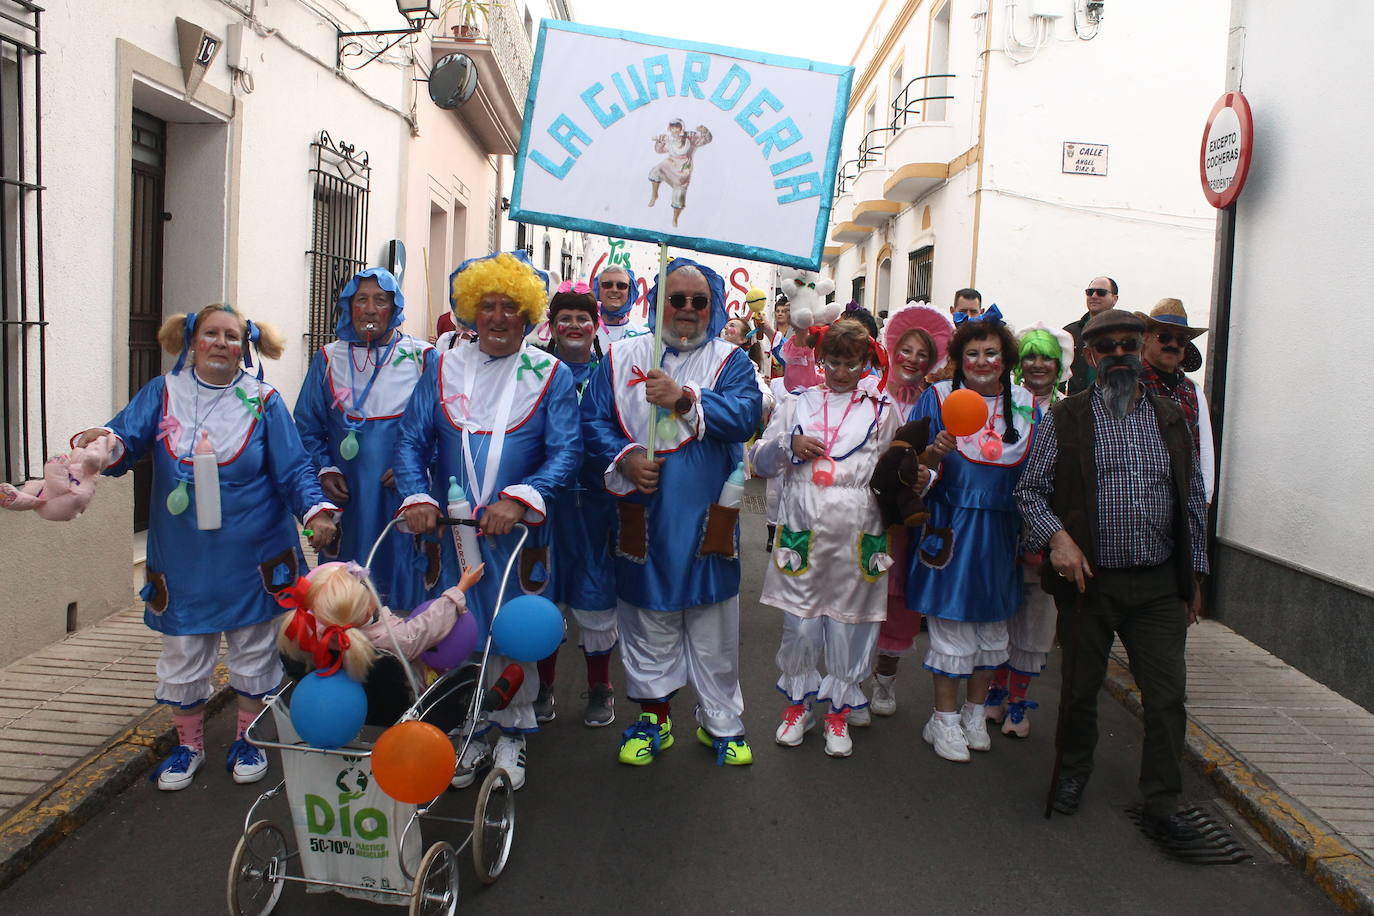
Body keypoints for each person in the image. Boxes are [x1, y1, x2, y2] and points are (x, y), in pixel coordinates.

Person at [71, 304, 338, 791]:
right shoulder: (163, 392)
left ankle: (247, 740)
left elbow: (294, 468)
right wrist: (99, 444)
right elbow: (124, 436)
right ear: (192, 342)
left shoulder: (264, 400)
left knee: (255, 649)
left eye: (232, 336)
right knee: (184, 649)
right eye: (211, 334)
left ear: (246, 346)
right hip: (184, 557)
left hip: (254, 553)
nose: (221, 343)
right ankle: (188, 746)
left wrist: (316, 511)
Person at [1014, 309, 1209, 839]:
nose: (1120, 354)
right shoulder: (1067, 417)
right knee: (1080, 689)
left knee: (1166, 696)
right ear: (1093, 357)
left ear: (1142, 349)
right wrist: (1057, 538)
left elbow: (1192, 497)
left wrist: (1195, 576)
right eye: (1109, 347)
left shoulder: (1171, 417)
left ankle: (1162, 798)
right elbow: (1029, 491)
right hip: (1089, 583)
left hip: (1156, 584)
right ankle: (1074, 772)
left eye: (1129, 344)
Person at [394, 250, 582, 791]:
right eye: (488, 306)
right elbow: (412, 440)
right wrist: (415, 496)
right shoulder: (440, 364)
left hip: (518, 536)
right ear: (471, 312)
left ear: (528, 316)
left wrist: (522, 499)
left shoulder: (551, 373)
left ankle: (514, 734)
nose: (498, 318)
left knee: (511, 631)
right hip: (449, 532)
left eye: (510, 308)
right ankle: (470, 727)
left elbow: (566, 452)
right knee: (458, 628)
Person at [581, 256, 763, 767]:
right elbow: (591, 422)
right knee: (646, 620)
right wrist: (628, 456)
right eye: (675, 300)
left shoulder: (733, 361)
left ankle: (722, 723)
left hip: (708, 517)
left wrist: (684, 399)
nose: (686, 310)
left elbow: (745, 415)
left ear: (713, 306)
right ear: (657, 302)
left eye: (698, 301)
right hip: (643, 515)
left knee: (713, 627)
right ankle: (654, 716)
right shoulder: (620, 357)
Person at [753, 319, 915, 757]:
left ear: (865, 363)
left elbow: (896, 469)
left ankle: (839, 714)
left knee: (850, 626)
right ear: (821, 360)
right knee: (801, 626)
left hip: (859, 528)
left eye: (851, 363)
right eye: (833, 362)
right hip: (804, 523)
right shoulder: (798, 403)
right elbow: (760, 459)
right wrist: (790, 443)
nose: (841, 372)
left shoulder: (881, 409)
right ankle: (797, 707)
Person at [905, 310, 1035, 763]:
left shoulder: (1026, 403)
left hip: (1002, 533)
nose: (982, 361)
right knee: (953, 625)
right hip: (951, 526)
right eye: (973, 353)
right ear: (960, 360)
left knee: (991, 628)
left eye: (991, 353)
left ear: (1005, 359)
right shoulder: (938, 397)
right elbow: (906, 462)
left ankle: (974, 713)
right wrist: (930, 452)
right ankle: (941, 720)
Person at [295, 268, 438, 611]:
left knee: (404, 593)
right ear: (349, 307)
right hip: (349, 497)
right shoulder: (328, 358)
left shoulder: (423, 357)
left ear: (395, 307)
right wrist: (325, 469)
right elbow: (306, 427)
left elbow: (442, 427)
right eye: (361, 300)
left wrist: (418, 466)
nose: (370, 309)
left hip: (403, 495)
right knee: (345, 595)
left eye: (380, 300)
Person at [982, 322, 1074, 738]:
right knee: (1002, 611)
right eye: (1031, 356)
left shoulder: (1071, 412)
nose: (1038, 365)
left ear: (1060, 365)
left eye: (1046, 358)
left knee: (1036, 618)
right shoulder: (1005, 406)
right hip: (1003, 526)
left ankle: (1018, 701)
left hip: (1046, 528)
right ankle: (995, 692)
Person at [536, 282, 620, 728]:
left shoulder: (611, 374)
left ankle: (601, 685)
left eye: (582, 318)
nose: (573, 325)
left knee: (595, 595)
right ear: (551, 326)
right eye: (564, 318)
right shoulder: (532, 372)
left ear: (595, 327)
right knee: (545, 594)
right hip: (545, 507)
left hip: (596, 507)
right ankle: (543, 685)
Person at [869, 302, 953, 718]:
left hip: (909, 520)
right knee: (863, 588)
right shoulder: (869, 393)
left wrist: (927, 477)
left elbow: (943, 459)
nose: (914, 360)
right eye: (907, 350)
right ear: (892, 348)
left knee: (898, 597)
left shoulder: (936, 402)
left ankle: (885, 681)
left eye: (923, 354)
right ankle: (849, 680)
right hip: (863, 514)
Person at [276, 560, 483, 726]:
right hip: (398, 707)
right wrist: (459, 589)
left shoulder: (312, 636)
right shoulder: (395, 639)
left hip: (345, 708)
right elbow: (428, 626)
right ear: (367, 610)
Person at [1136, 298, 1214, 502]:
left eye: (1180, 340)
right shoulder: (1130, 383)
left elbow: (1203, 447)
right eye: (1164, 337)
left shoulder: (1193, 391)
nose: (1172, 344)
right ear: (1146, 338)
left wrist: (1204, 499)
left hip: (1183, 499)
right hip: (1138, 498)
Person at [647, 119, 713, 226]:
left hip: (683, 168)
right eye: (672, 127)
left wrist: (704, 131)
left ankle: (675, 218)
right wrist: (659, 142)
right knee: (656, 171)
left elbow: (707, 139)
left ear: (681, 127)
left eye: (677, 127)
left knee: (679, 194)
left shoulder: (690, 137)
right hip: (670, 163)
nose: (674, 130)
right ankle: (655, 195)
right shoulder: (669, 139)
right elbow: (659, 151)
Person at [1065, 276, 1119, 395]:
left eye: (1101, 293)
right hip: (1077, 407)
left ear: (1114, 299)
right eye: (1090, 292)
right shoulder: (1069, 333)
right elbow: (1059, 376)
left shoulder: (1125, 334)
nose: (1094, 296)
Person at [594, 264, 646, 348]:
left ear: (630, 292)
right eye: (607, 285)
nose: (614, 290)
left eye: (621, 286)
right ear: (598, 289)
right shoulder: (585, 333)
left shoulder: (643, 336)